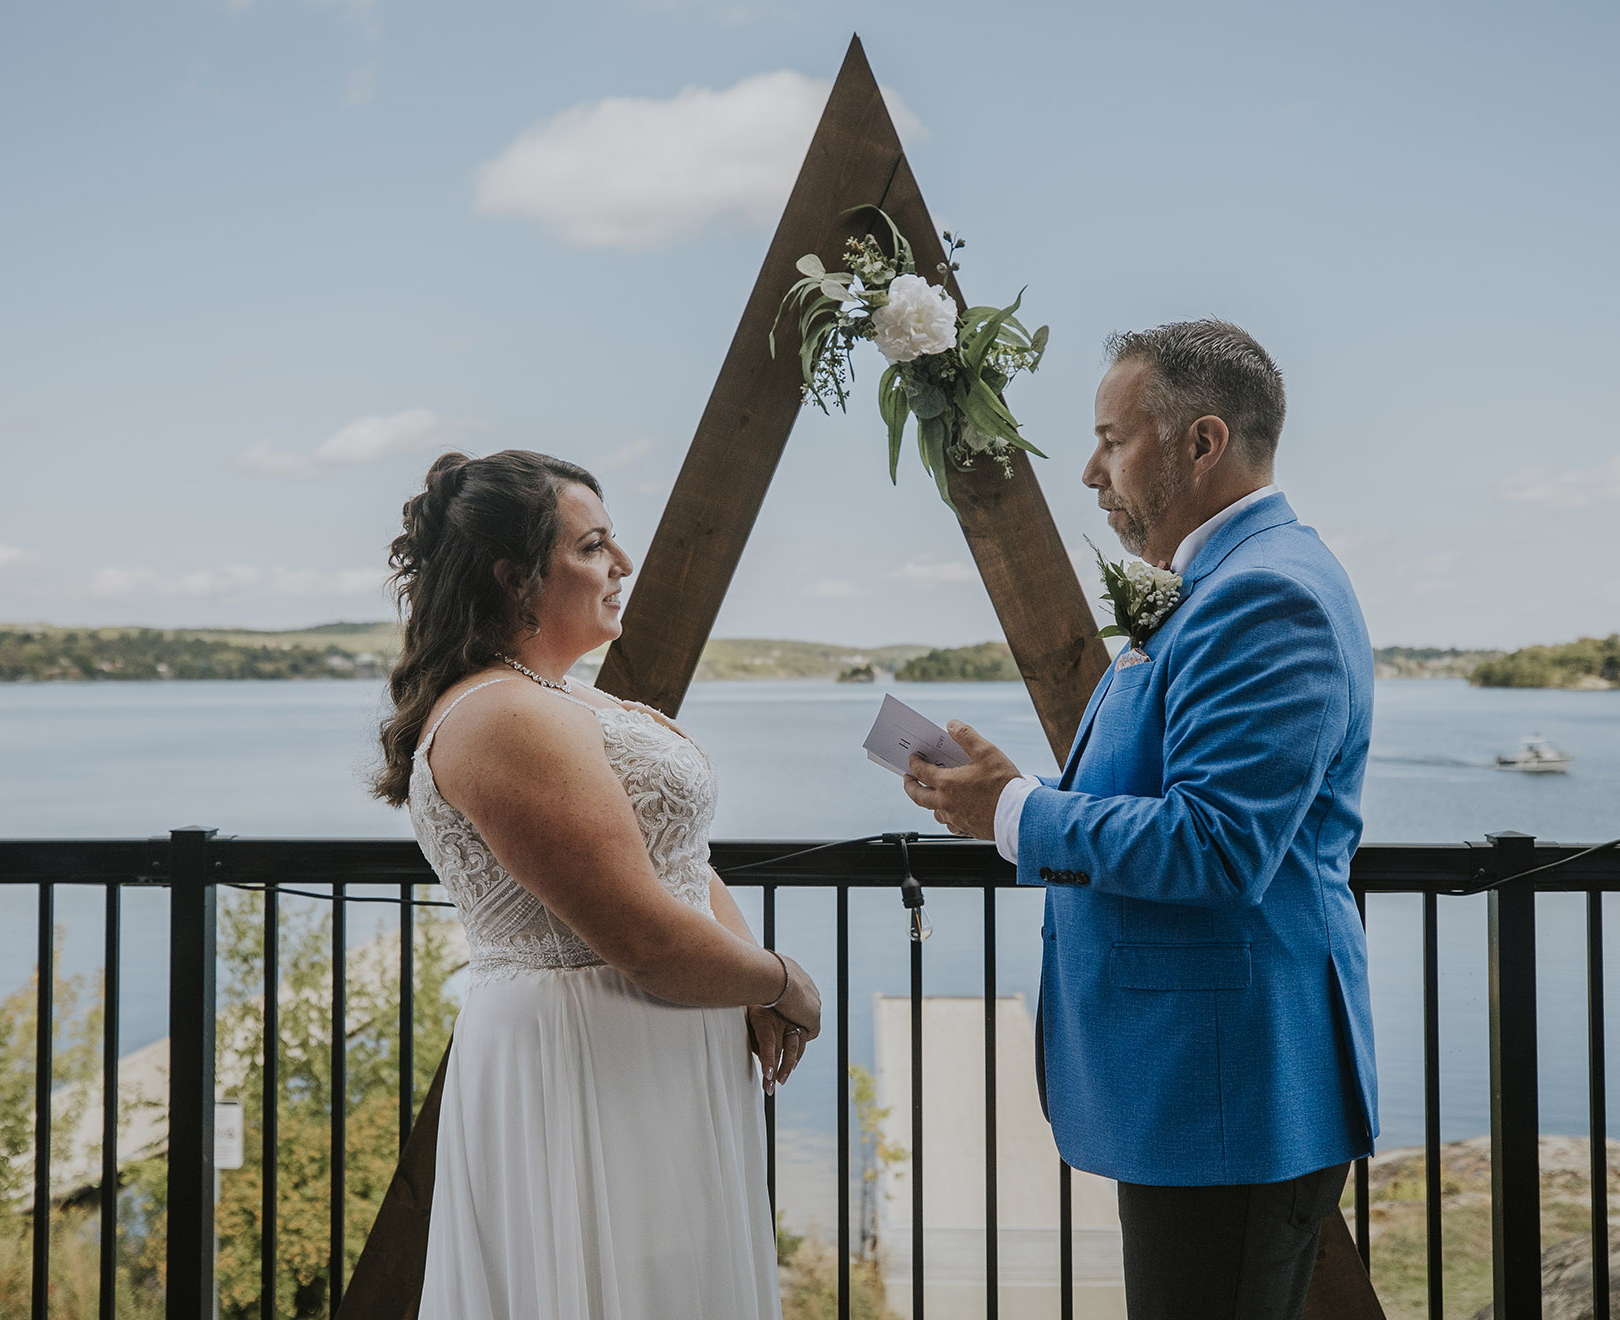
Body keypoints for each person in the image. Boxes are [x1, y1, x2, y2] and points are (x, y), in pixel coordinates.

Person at [901, 321, 1378, 1320]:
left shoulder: (1264, 596)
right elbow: (1169, 789)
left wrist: (1016, 812)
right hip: (1197, 1085)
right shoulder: (1220, 581)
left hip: (1225, 1091)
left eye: (1112, 441)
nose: (1089, 471)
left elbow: (1216, 845)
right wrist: (1005, 793)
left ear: (1202, 443)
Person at [373, 449, 818, 1319]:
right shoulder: (502, 715)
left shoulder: (563, 698)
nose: (624, 563)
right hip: (584, 1053)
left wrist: (739, 975)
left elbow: (679, 862)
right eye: (592, 546)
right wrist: (783, 981)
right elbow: (642, 937)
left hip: (652, 1048)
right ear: (515, 578)